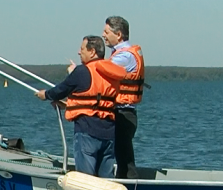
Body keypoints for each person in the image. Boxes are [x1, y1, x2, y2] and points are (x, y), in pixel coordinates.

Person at [36, 36, 127, 177]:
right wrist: (68, 104)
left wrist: (45, 95)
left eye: (82, 49)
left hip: (87, 132)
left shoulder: (82, 71)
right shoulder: (112, 74)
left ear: (92, 52)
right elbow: (94, 100)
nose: (79, 52)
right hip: (108, 133)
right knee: (106, 179)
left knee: (86, 179)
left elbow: (60, 90)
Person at [102, 16, 144, 179]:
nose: (103, 35)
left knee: (125, 160)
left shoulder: (124, 56)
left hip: (123, 114)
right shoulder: (121, 53)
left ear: (118, 34)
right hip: (123, 113)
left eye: (106, 32)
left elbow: (100, 74)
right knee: (122, 158)